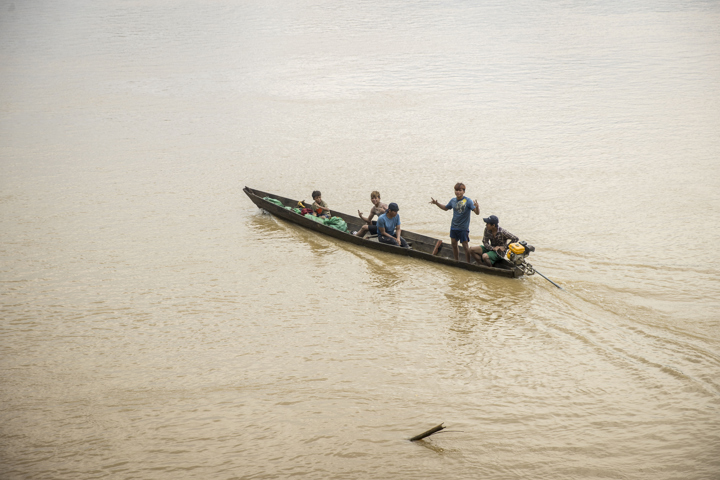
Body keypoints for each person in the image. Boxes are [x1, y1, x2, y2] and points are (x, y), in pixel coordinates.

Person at [429, 182, 479, 262]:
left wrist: (477, 207)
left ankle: (468, 263)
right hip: (454, 227)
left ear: (464, 191)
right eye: (456, 190)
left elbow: (477, 213)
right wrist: (436, 203)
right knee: (454, 244)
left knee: (465, 246)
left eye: (460, 190)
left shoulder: (468, 201)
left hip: (463, 228)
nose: (458, 192)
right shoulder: (453, 200)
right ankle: (456, 261)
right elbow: (445, 208)